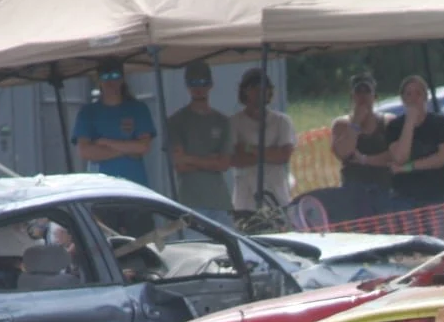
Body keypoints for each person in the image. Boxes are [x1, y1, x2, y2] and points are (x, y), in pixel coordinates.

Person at [162, 62, 234, 227]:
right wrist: (210, 160)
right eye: (193, 83)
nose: (198, 88)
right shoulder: (176, 121)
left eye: (203, 83)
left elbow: (224, 164)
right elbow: (179, 164)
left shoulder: (223, 121)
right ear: (187, 86)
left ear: (210, 85)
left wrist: (189, 158)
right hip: (190, 202)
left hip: (220, 202)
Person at [72, 58, 155, 185]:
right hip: (100, 186)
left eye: (115, 75)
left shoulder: (138, 108)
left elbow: (143, 146)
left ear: (122, 79)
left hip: (135, 185)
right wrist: (128, 149)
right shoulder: (87, 112)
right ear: (99, 80)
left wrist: (106, 143)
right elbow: (84, 151)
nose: (110, 81)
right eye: (105, 76)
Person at [229, 67, 295, 219]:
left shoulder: (282, 121)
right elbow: (234, 159)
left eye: (264, 87)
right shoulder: (234, 123)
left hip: (277, 197)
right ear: (244, 91)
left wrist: (249, 148)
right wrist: (269, 152)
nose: (259, 91)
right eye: (253, 87)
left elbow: (283, 156)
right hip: (245, 201)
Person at [329, 72, 395, 217]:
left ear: (375, 96)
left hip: (384, 188)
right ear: (352, 96)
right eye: (358, 91)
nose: (363, 96)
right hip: (353, 189)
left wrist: (365, 159)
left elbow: (395, 155)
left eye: (367, 91)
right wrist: (356, 123)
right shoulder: (341, 124)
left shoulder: (388, 122)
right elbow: (344, 152)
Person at [383, 75, 444, 207]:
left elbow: (442, 158)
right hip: (405, 196)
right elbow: (400, 158)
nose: (414, 98)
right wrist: (409, 122)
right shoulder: (394, 127)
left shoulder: (440, 123)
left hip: (437, 194)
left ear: (425, 97)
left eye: (418, 93)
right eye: (409, 94)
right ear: (403, 99)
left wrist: (408, 167)